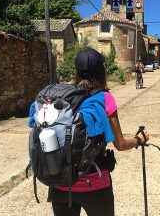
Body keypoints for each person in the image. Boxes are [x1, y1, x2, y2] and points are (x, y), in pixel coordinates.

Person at [50, 48, 149, 216]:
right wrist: (139, 139)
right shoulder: (104, 98)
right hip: (94, 186)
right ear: (101, 72)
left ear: (77, 71)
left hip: (61, 184)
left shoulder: (64, 97)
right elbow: (121, 145)